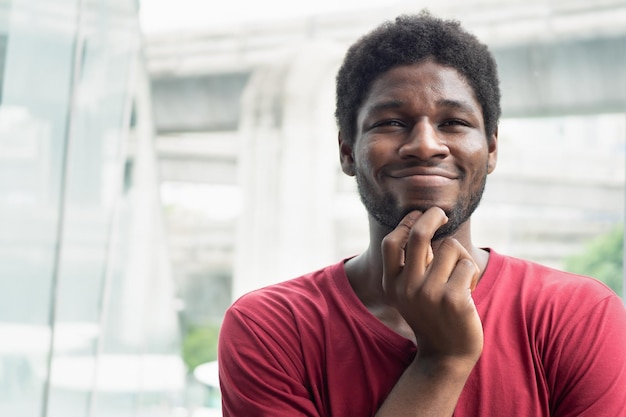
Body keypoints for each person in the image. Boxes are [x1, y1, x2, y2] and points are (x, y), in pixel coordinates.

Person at [218, 12, 626, 417]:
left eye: (453, 122)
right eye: (392, 122)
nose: (426, 145)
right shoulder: (268, 328)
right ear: (347, 151)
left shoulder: (578, 316)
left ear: (492, 150)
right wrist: (442, 361)